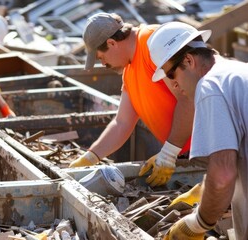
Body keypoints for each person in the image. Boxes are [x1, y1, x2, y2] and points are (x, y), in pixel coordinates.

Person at [68, 13, 195, 188]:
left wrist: (169, 153)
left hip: (208, 151)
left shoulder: (153, 43)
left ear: (111, 43)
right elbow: (122, 123)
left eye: (101, 58)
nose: (103, 64)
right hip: (183, 156)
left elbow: (190, 97)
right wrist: (91, 157)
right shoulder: (129, 70)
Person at [148, 21, 248, 240]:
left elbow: (222, 175)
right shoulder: (236, 72)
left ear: (189, 60)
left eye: (171, 75)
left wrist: (197, 224)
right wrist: (205, 188)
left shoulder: (210, 86)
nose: (173, 86)